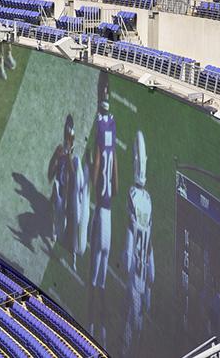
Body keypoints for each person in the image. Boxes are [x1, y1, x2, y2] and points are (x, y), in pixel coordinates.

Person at [89, 72, 117, 346]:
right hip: (103, 201)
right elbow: (99, 159)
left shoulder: (108, 122)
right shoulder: (102, 123)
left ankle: (98, 295)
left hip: (105, 199)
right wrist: (98, 185)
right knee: (102, 250)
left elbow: (108, 159)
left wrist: (112, 182)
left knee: (102, 250)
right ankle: (98, 299)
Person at [124, 130, 154, 353]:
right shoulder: (147, 201)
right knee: (139, 316)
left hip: (136, 273)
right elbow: (149, 245)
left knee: (132, 318)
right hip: (144, 272)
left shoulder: (134, 196)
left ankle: (129, 350)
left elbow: (130, 241)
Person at [48, 114, 90, 267]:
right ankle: (54, 231)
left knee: (74, 223)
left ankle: (73, 254)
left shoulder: (76, 160)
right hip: (60, 192)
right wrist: (56, 159)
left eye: (69, 138)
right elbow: (50, 175)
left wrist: (68, 157)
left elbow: (74, 176)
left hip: (70, 197)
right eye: (66, 137)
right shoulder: (59, 150)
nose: (67, 141)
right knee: (55, 206)